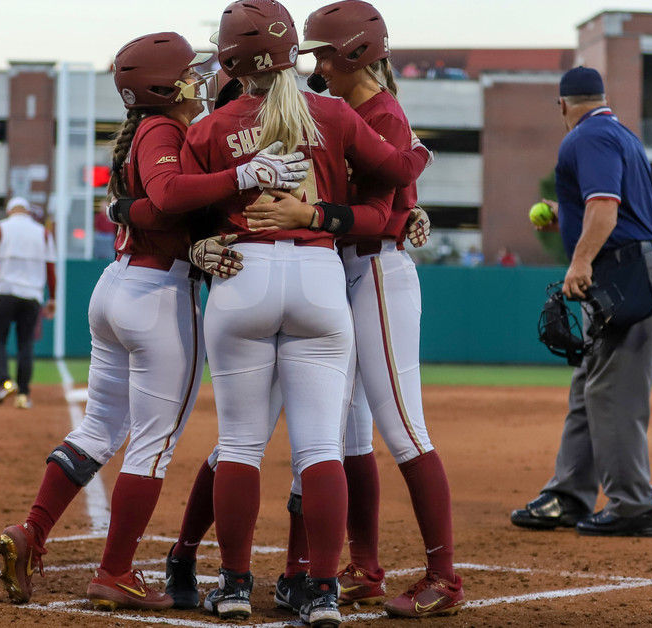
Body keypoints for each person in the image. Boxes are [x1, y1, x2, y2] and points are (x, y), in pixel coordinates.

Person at [0, 31, 308, 612]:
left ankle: (32, 533)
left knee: (99, 430)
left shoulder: (152, 128)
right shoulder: (164, 128)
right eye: (190, 69)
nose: (201, 74)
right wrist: (246, 177)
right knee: (152, 447)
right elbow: (165, 196)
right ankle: (113, 572)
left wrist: (133, 212)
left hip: (121, 285)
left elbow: (144, 205)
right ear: (168, 84)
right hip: (160, 294)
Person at [180, 2, 433, 625]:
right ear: (293, 51)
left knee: (239, 444)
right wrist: (419, 157)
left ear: (230, 61)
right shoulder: (335, 111)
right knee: (321, 446)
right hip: (321, 278)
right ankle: (320, 591)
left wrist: (197, 244)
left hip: (243, 276)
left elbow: (176, 204)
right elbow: (397, 173)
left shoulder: (211, 127)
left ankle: (235, 585)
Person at [510, 66, 652, 538]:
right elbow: (606, 206)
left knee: (612, 394)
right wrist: (566, 217)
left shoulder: (586, 137)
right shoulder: (619, 132)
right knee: (590, 385)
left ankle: (633, 506)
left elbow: (605, 207)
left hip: (625, 272)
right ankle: (568, 495)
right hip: (630, 267)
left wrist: (578, 261)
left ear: (563, 105)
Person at [0, 197, 56, 409]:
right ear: (27, 211)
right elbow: (50, 269)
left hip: (4, 291)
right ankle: (23, 394)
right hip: (32, 296)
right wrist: (53, 298)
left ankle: (4, 383)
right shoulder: (43, 232)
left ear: (9, 210)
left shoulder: (0, 228)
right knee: (25, 343)